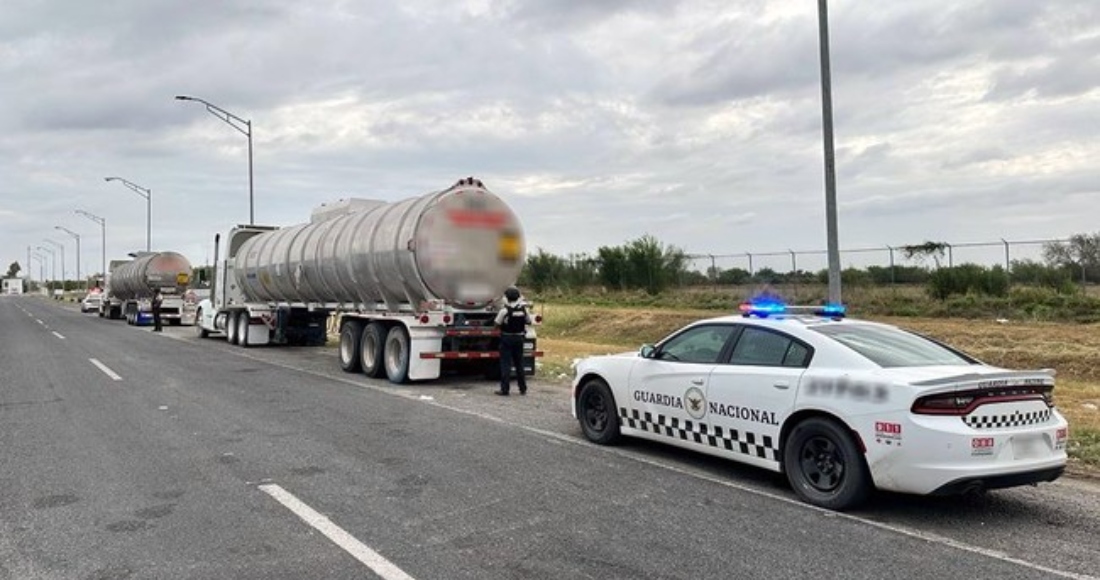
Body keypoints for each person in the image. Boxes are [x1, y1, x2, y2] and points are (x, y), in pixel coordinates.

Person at [494, 286, 532, 396]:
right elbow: (528, 322)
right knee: (519, 364)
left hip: (507, 338)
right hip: (519, 339)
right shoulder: (523, 310)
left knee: (506, 364)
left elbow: (496, 324)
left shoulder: (504, 311)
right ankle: (523, 388)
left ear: (507, 298)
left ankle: (505, 389)